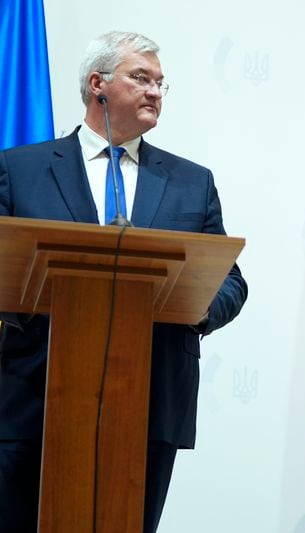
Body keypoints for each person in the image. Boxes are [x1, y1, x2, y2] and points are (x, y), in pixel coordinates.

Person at [0, 31, 247, 532]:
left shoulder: (190, 181)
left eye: (161, 82)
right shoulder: (20, 169)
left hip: (151, 400)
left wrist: (194, 305)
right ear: (98, 84)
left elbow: (230, 281)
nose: (155, 91)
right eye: (141, 78)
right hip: (32, 398)